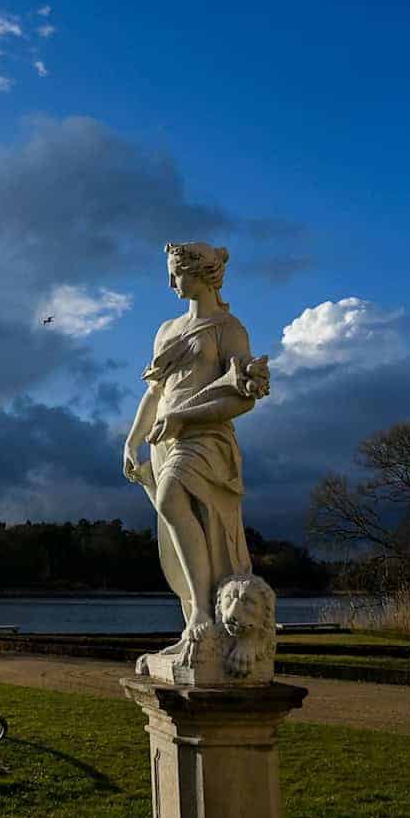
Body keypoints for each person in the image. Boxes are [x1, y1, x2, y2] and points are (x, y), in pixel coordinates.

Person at [123, 242, 269, 664]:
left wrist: (185, 416)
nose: (171, 282)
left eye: (177, 273)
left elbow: (244, 397)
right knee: (178, 531)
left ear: (204, 273)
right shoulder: (166, 330)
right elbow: (156, 393)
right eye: (169, 273)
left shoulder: (229, 329)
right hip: (166, 439)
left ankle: (204, 616)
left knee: (171, 499)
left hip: (205, 438)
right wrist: (132, 440)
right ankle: (195, 623)